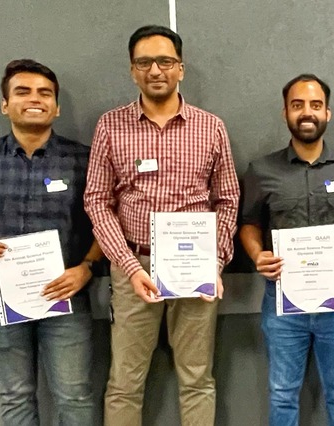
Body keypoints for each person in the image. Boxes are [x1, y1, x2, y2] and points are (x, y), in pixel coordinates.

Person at [84, 25, 240, 425]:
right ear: (132, 70)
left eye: (165, 61)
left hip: (196, 268)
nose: (155, 70)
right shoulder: (111, 126)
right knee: (124, 382)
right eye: (144, 62)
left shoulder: (211, 127)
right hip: (134, 267)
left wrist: (215, 262)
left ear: (180, 68)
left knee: (197, 379)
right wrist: (129, 267)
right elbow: (97, 201)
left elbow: (227, 200)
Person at [0, 59, 101, 425]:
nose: (34, 99)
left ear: (57, 107)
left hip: (66, 294)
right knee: (15, 395)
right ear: (5, 104)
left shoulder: (85, 161)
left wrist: (87, 267)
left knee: (75, 395)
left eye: (45, 93)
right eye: (22, 92)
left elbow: (105, 222)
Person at [239, 74, 334, 426]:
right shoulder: (261, 170)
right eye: (297, 105)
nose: (307, 112)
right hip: (283, 300)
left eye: (315, 105)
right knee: (282, 392)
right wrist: (257, 255)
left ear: (327, 113)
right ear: (285, 112)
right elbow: (249, 224)